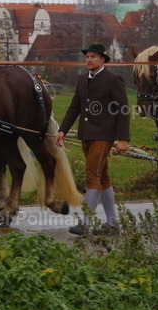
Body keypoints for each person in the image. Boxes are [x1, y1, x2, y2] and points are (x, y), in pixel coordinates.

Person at [55, 43, 130, 235]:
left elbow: (123, 110)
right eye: (87, 56)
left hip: (104, 135)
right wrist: (62, 130)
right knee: (102, 177)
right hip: (86, 135)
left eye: (93, 57)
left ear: (103, 59)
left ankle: (86, 223)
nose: (89, 60)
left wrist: (123, 139)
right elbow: (75, 107)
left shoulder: (113, 80)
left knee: (91, 175)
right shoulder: (82, 79)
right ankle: (112, 224)